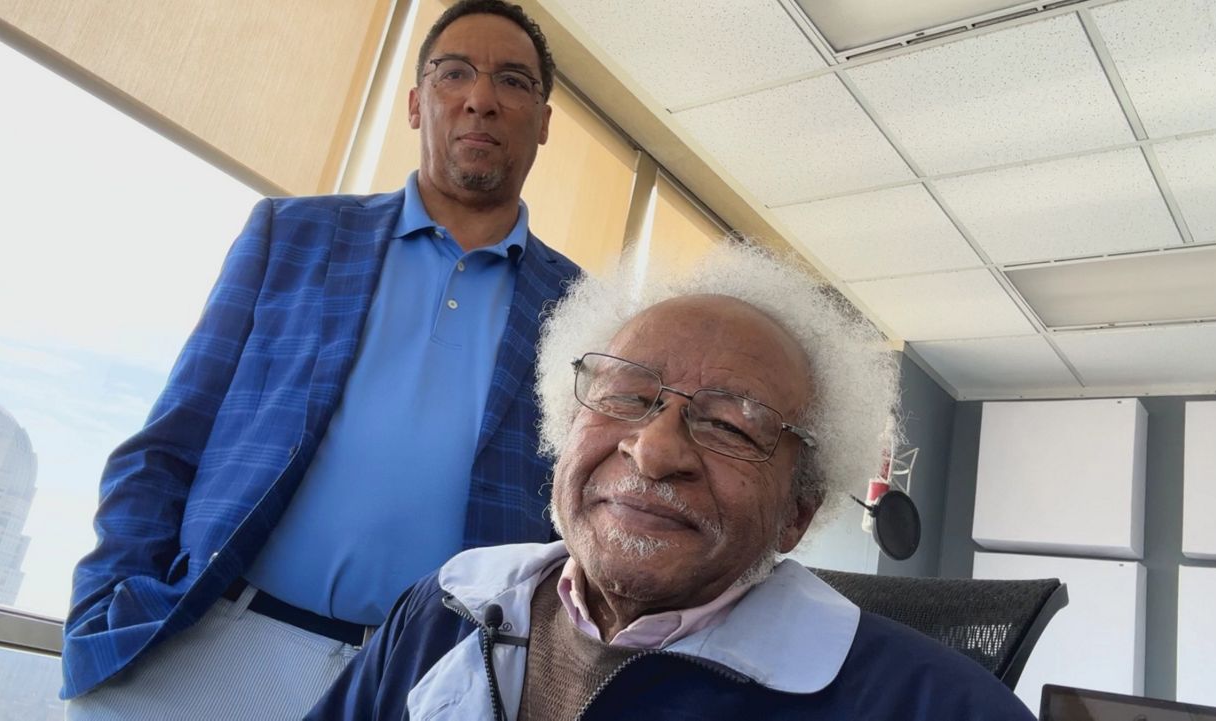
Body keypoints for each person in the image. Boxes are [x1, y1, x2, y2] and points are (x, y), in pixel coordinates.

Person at [61, 1, 579, 718]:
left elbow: (573, 531)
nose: (480, 99)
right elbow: (172, 437)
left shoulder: (580, 308)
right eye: (454, 72)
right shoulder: (291, 233)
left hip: (424, 683)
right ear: (415, 103)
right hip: (213, 644)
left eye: (513, 82)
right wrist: (102, 608)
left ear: (544, 120)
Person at [306, 244, 1037, 720]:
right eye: (625, 393)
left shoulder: (937, 709)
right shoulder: (443, 606)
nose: (654, 449)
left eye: (730, 424)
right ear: (566, 430)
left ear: (798, 512)